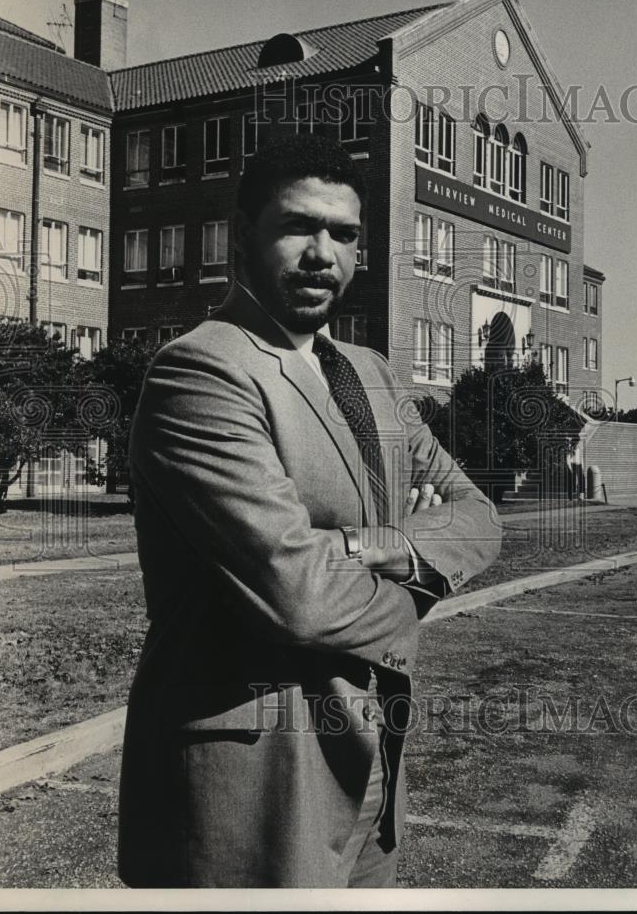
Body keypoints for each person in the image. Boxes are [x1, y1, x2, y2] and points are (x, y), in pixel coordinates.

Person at [117, 133, 502, 888]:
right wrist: (414, 570)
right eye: (299, 226)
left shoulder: (372, 373)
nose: (323, 253)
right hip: (255, 783)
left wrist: (361, 545)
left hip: (373, 769)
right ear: (241, 236)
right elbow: (297, 592)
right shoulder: (201, 370)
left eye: (345, 234)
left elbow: (479, 514)